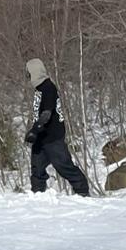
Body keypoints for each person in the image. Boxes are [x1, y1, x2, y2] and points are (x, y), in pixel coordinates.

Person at [24, 57, 90, 195]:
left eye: (29, 73)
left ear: (35, 72)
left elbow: (47, 113)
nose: (28, 77)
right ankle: (38, 197)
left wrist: (34, 130)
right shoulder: (39, 89)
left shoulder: (48, 87)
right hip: (41, 138)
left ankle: (83, 194)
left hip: (52, 137)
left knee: (64, 166)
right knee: (37, 170)